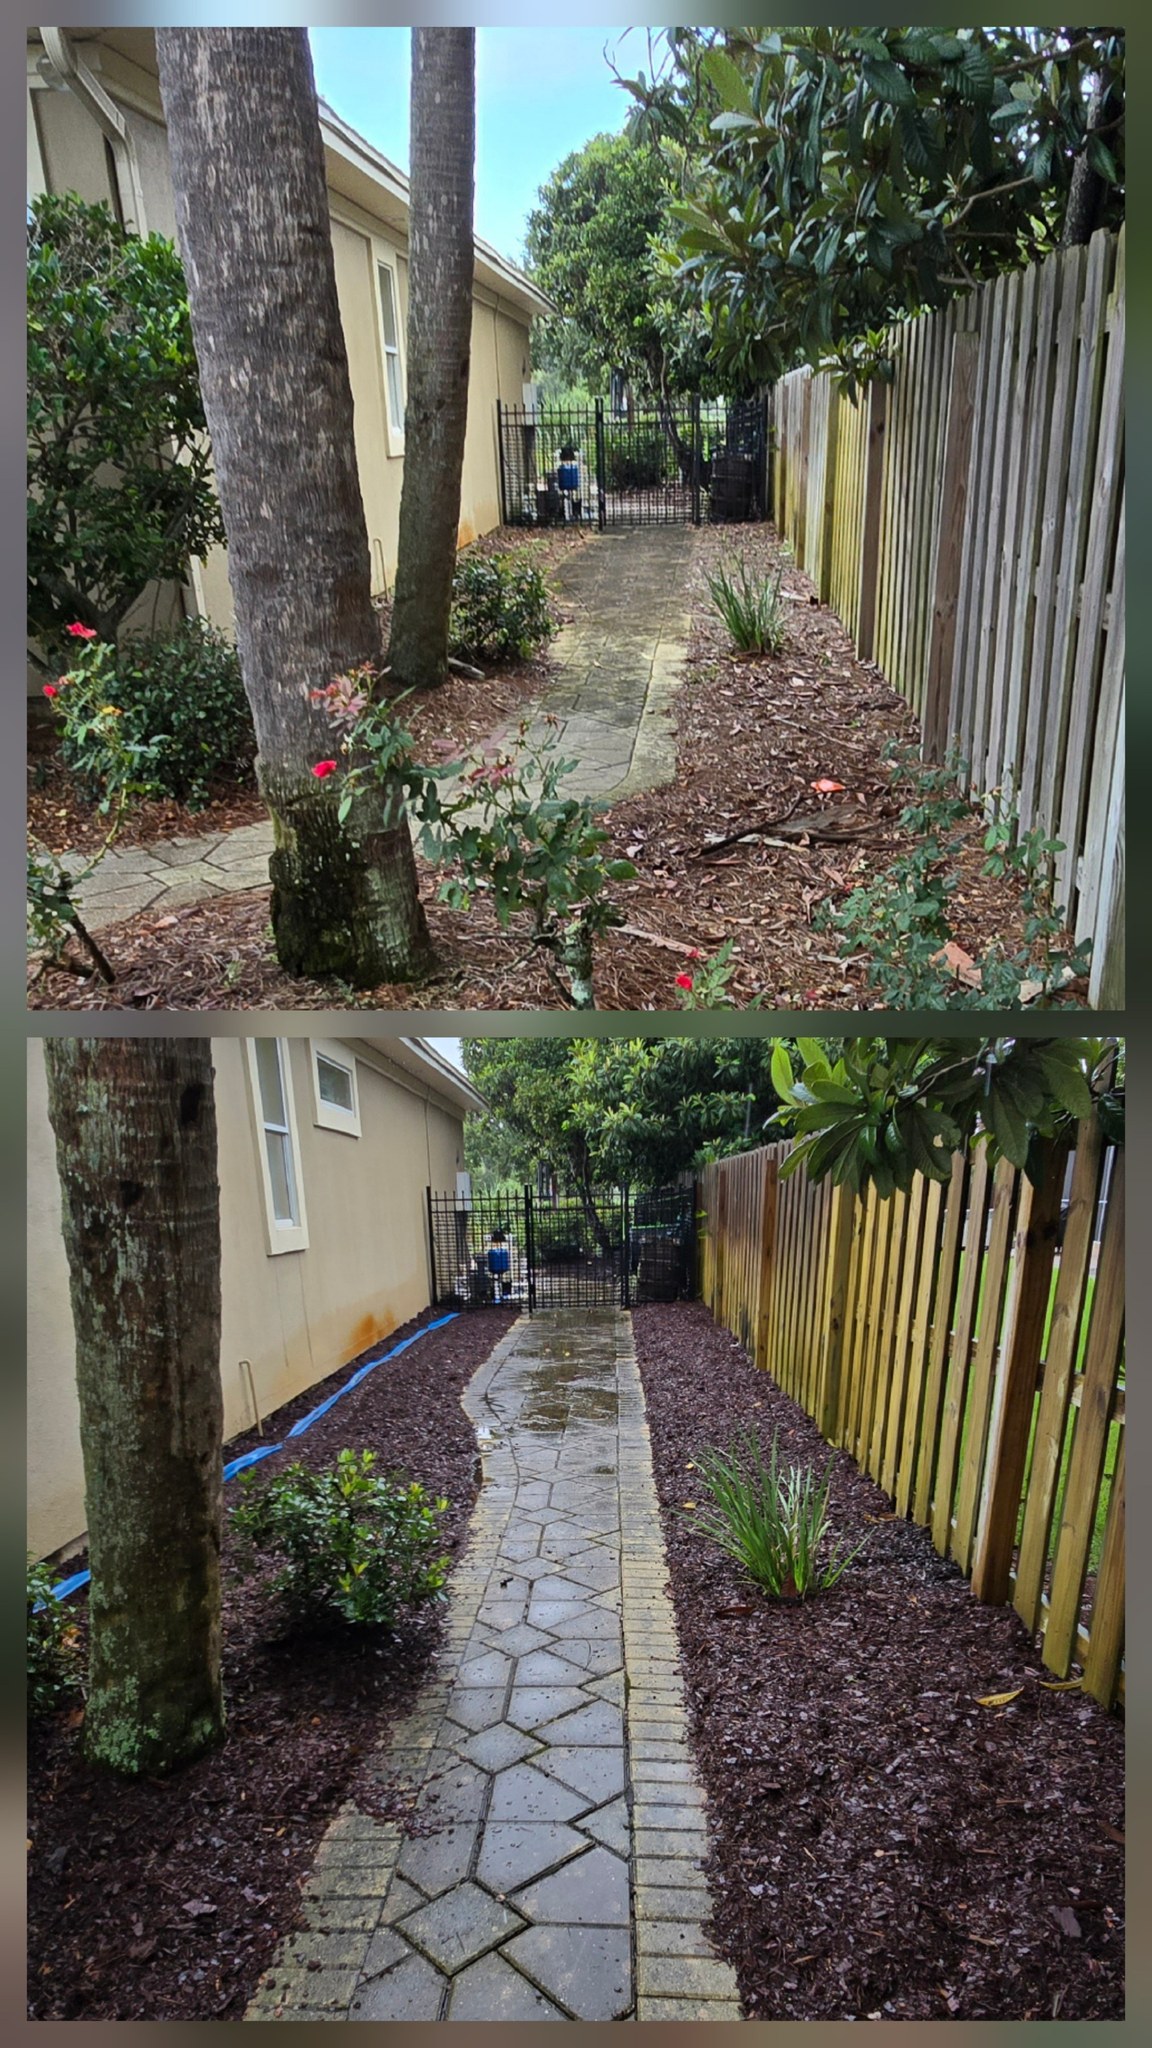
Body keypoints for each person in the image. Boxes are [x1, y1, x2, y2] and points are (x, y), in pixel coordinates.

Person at [486, 1228, 513, 1299]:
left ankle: (504, 1294)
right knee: (495, 1280)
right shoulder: (493, 1250)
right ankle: (497, 1295)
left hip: (502, 1268)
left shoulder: (503, 1250)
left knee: (504, 1280)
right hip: (496, 1267)